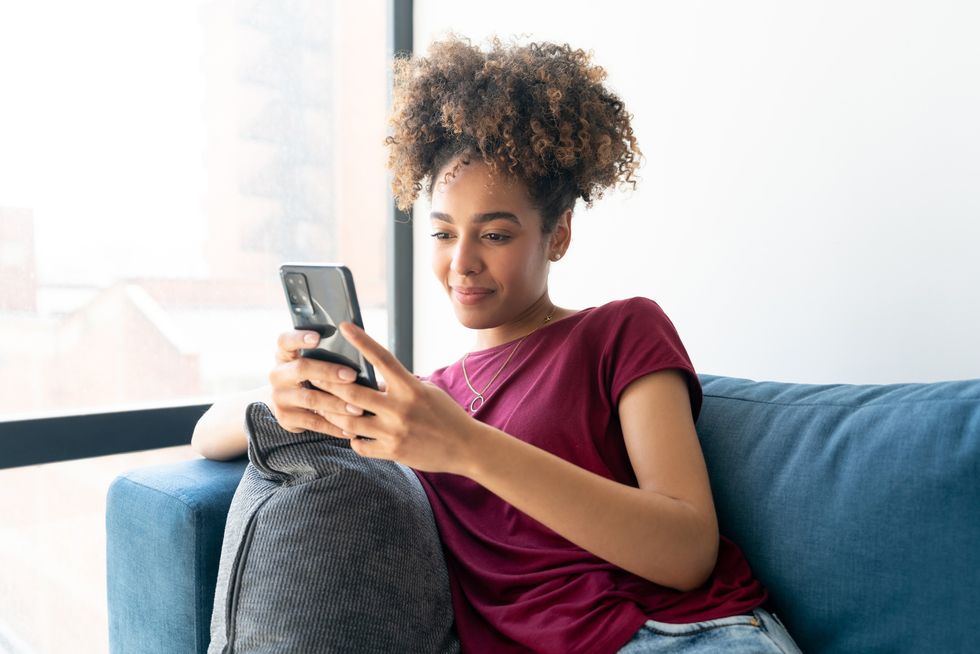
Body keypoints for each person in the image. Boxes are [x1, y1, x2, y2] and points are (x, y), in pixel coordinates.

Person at [192, 36, 802, 654]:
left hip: (684, 635)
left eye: (495, 234)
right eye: (442, 233)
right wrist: (286, 393)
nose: (462, 263)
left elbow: (689, 552)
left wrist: (467, 446)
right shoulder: (422, 407)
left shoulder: (619, 332)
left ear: (558, 234)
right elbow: (207, 434)